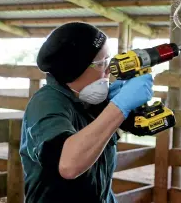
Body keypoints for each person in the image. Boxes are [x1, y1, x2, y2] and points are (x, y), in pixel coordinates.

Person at [19, 22, 153, 203]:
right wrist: (119, 107)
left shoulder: (88, 101)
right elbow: (68, 165)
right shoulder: (46, 103)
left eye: (109, 60)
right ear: (74, 69)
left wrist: (127, 112)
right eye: (101, 63)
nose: (108, 70)